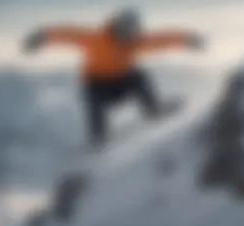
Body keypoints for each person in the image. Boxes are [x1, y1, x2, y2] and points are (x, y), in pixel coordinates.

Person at [22, 8, 206, 146]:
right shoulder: (95, 38)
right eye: (126, 31)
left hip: (120, 83)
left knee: (139, 75)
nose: (128, 36)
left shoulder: (134, 43)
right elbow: (66, 34)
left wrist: (187, 39)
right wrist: (40, 37)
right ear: (117, 26)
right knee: (93, 98)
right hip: (98, 84)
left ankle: (152, 110)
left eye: (132, 32)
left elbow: (160, 40)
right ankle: (98, 137)